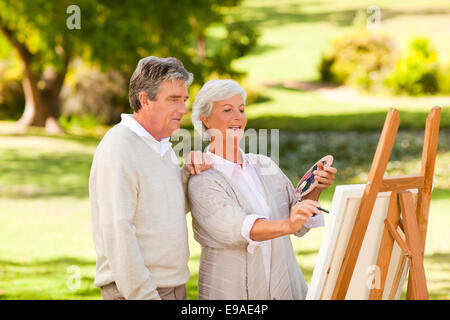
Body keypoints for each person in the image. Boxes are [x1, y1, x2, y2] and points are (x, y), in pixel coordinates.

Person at [188, 79, 337, 300]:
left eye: (241, 109)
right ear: (206, 119)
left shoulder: (263, 164)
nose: (238, 117)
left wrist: (315, 189)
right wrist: (288, 224)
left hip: (283, 285)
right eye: (227, 110)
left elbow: (298, 220)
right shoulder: (203, 179)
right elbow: (236, 227)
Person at [89, 56, 211, 300]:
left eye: (184, 100)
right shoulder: (120, 147)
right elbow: (118, 231)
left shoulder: (161, 145)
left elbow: (165, 210)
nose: (183, 109)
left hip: (172, 287)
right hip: (137, 292)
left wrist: (187, 175)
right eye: (173, 100)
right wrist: (144, 295)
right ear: (145, 100)